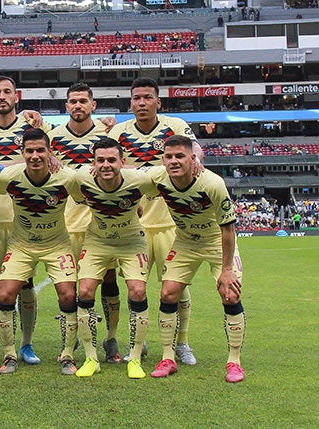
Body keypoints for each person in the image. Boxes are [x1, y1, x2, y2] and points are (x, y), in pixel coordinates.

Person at [107, 76, 203, 365]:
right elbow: (107, 163)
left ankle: (182, 343)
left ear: (158, 102)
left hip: (171, 225)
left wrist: (196, 158)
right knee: (135, 288)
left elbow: (195, 148)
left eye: (148, 97)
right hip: (133, 226)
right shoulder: (119, 132)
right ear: (131, 102)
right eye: (137, 98)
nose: (142, 102)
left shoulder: (174, 125)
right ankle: (139, 343)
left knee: (176, 287)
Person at [0, 76, 52, 366]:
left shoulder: (34, 127)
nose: (2, 96)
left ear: (17, 96)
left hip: (22, 216)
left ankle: (26, 344)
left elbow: (53, 152)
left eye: (7, 92)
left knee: (24, 283)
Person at [147, 135, 246, 383]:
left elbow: (228, 229)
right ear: (163, 160)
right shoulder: (159, 178)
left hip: (216, 242)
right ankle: (168, 357)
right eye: (169, 156)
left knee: (230, 293)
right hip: (185, 242)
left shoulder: (213, 183)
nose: (174, 161)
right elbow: (128, 174)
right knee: (168, 294)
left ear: (193, 159)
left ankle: (234, 362)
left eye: (180, 156)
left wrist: (226, 269)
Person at [0, 128, 79, 375]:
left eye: (40, 150)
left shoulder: (67, 178)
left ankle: (67, 355)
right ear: (22, 153)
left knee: (67, 296)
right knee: (6, 293)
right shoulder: (9, 177)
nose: (35, 156)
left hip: (57, 245)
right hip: (21, 245)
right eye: (29, 151)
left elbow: (86, 196)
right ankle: (10, 353)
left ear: (50, 152)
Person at [48, 82, 122, 364]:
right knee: (68, 285)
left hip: (101, 221)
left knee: (109, 279)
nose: (77, 106)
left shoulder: (108, 134)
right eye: (72, 101)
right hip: (64, 222)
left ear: (93, 105)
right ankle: (70, 340)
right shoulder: (52, 138)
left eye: (83, 101)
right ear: (66, 106)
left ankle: (111, 338)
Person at [71, 137, 155, 379]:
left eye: (111, 160)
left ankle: (135, 358)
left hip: (131, 241)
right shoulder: (81, 179)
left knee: (137, 291)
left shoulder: (140, 178)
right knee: (85, 291)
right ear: (93, 163)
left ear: (123, 162)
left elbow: (165, 173)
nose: (106, 165)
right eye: (100, 160)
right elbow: (64, 180)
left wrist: (196, 162)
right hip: (97, 240)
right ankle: (91, 358)